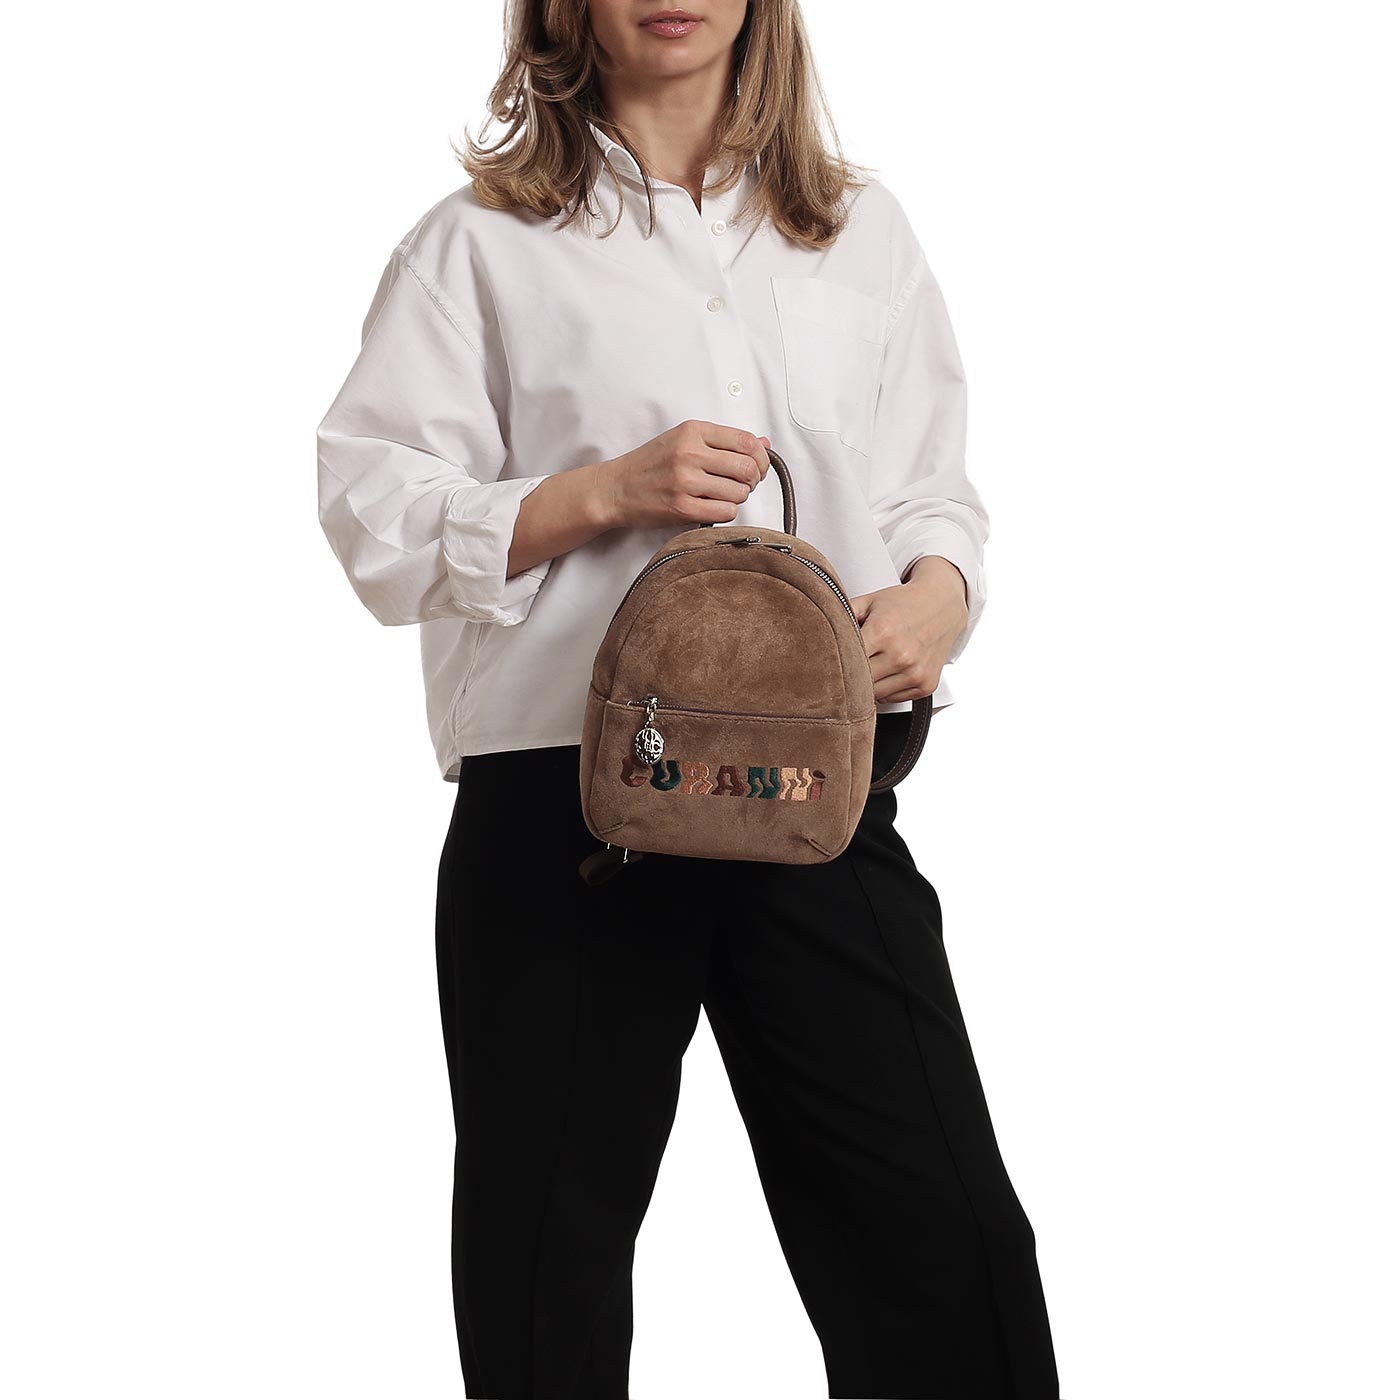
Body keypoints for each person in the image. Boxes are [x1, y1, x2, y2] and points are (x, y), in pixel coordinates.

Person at [316, 2, 1061, 1396]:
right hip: (563, 807)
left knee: (945, 1244)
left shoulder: (858, 234)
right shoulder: (475, 245)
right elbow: (375, 517)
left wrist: (938, 598)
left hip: (815, 793)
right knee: (545, 1282)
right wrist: (603, 492)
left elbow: (927, 492)